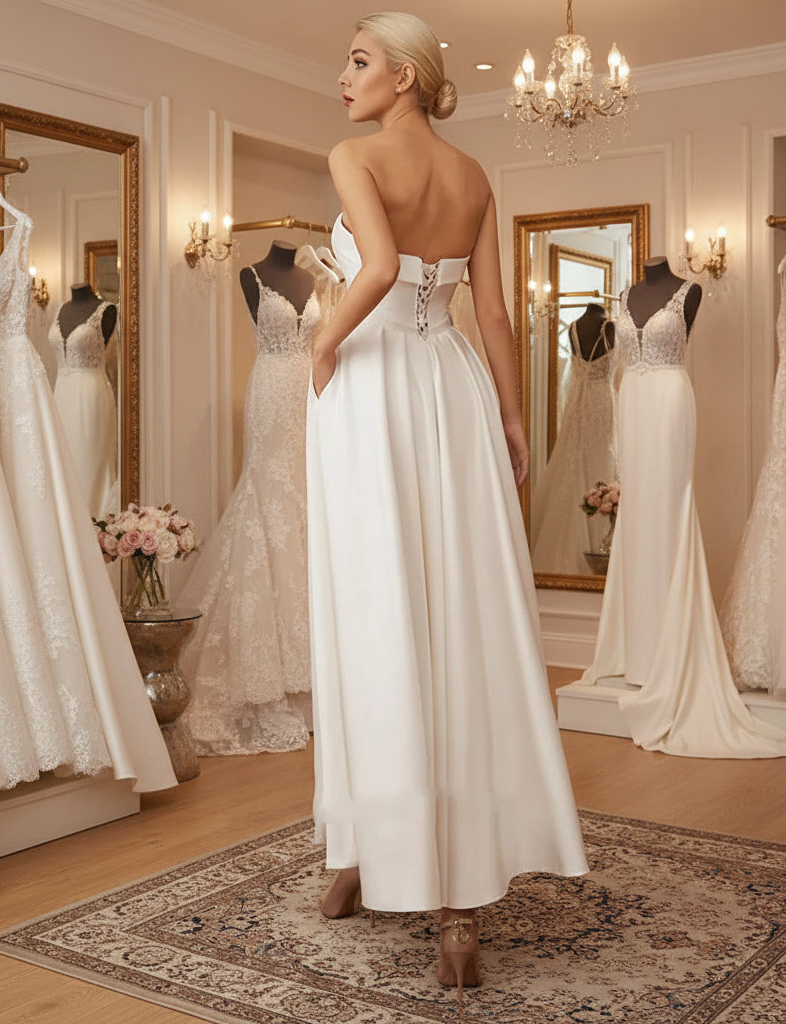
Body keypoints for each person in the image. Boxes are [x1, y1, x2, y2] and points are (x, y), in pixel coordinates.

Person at [305, 11, 588, 1011]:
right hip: (455, 390)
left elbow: (376, 272)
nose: (343, 79)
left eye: (360, 61)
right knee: (458, 622)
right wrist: (512, 415)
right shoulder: (473, 176)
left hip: (379, 389)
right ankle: (443, 902)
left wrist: (321, 345)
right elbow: (496, 312)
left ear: (407, 81)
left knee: (376, 615)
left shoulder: (352, 156)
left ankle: (368, 857)